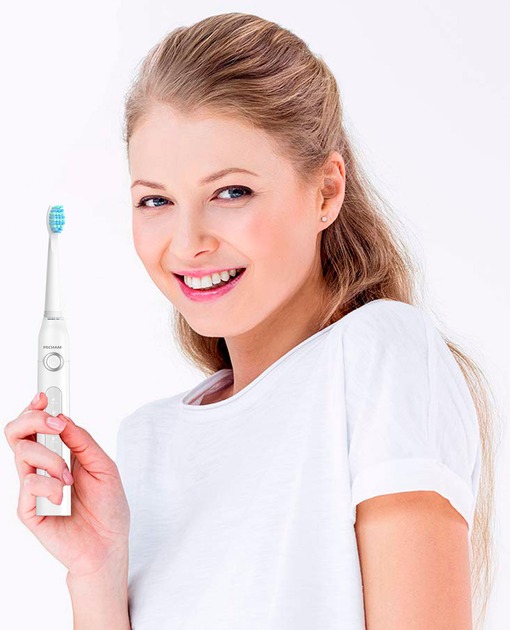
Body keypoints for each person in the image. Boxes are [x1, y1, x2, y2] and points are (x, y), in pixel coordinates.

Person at [4, 12, 498, 630]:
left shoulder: (377, 357)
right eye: (156, 200)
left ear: (326, 192)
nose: (188, 243)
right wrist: (96, 572)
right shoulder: (147, 441)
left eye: (231, 192)